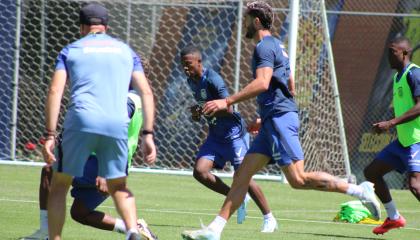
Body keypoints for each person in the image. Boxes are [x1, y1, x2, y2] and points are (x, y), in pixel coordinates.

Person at [181, 1, 380, 239]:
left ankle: (360, 190)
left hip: (278, 119)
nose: (244, 23)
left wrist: (228, 101)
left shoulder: (263, 47)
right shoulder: (278, 45)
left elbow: (263, 83)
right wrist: (263, 115)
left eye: (246, 19)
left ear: (256, 21)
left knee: (298, 179)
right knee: (242, 175)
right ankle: (214, 230)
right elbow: (290, 83)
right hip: (273, 119)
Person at [42, 3, 156, 240]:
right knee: (119, 187)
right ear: (106, 26)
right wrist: (148, 134)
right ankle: (132, 231)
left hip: (81, 120)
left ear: (82, 27)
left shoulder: (71, 50)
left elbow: (55, 91)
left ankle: (51, 237)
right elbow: (146, 92)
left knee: (58, 184)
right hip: (115, 124)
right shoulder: (126, 52)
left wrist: (51, 135)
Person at [21, 62, 157, 240]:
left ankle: (45, 233)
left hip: (98, 162)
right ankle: (132, 227)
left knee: (49, 172)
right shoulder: (138, 99)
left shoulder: (127, 100)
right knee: (80, 213)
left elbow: (113, 128)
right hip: (117, 165)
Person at [180, 46, 277, 232]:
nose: (185, 68)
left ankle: (269, 218)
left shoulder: (213, 79)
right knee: (199, 172)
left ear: (199, 62)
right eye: (182, 65)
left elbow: (229, 107)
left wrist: (209, 107)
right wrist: (197, 111)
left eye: (188, 64)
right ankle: (238, 199)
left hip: (234, 134)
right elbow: (204, 108)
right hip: (216, 135)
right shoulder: (190, 81)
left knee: (243, 176)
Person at [364, 36, 420, 235]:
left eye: (392, 51)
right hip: (404, 142)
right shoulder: (398, 77)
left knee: (415, 185)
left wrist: (391, 123)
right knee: (371, 172)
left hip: (417, 141)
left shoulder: (414, 74)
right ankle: (394, 217)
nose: (388, 55)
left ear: (404, 53)